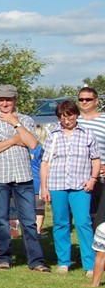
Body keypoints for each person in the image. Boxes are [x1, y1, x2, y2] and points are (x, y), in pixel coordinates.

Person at [0, 84, 49, 272]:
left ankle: (36, 261)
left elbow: (33, 143)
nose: (4, 103)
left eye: (8, 99)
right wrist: (13, 140)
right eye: (1, 100)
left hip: (23, 176)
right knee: (1, 219)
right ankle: (4, 258)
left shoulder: (25, 120)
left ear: (15, 100)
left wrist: (16, 124)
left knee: (28, 220)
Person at [40, 99, 100, 275]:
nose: (66, 120)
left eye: (70, 116)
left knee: (83, 223)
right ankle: (63, 262)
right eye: (62, 117)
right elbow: (45, 163)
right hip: (57, 185)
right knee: (60, 223)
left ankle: (89, 264)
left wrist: (92, 179)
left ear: (76, 115)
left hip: (81, 186)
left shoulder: (87, 133)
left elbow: (95, 159)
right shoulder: (53, 135)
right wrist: (44, 187)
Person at [76, 87, 105, 216]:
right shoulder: (72, 120)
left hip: (100, 175)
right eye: (81, 99)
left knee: (98, 215)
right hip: (77, 175)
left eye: (88, 99)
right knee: (81, 216)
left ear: (96, 101)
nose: (84, 102)